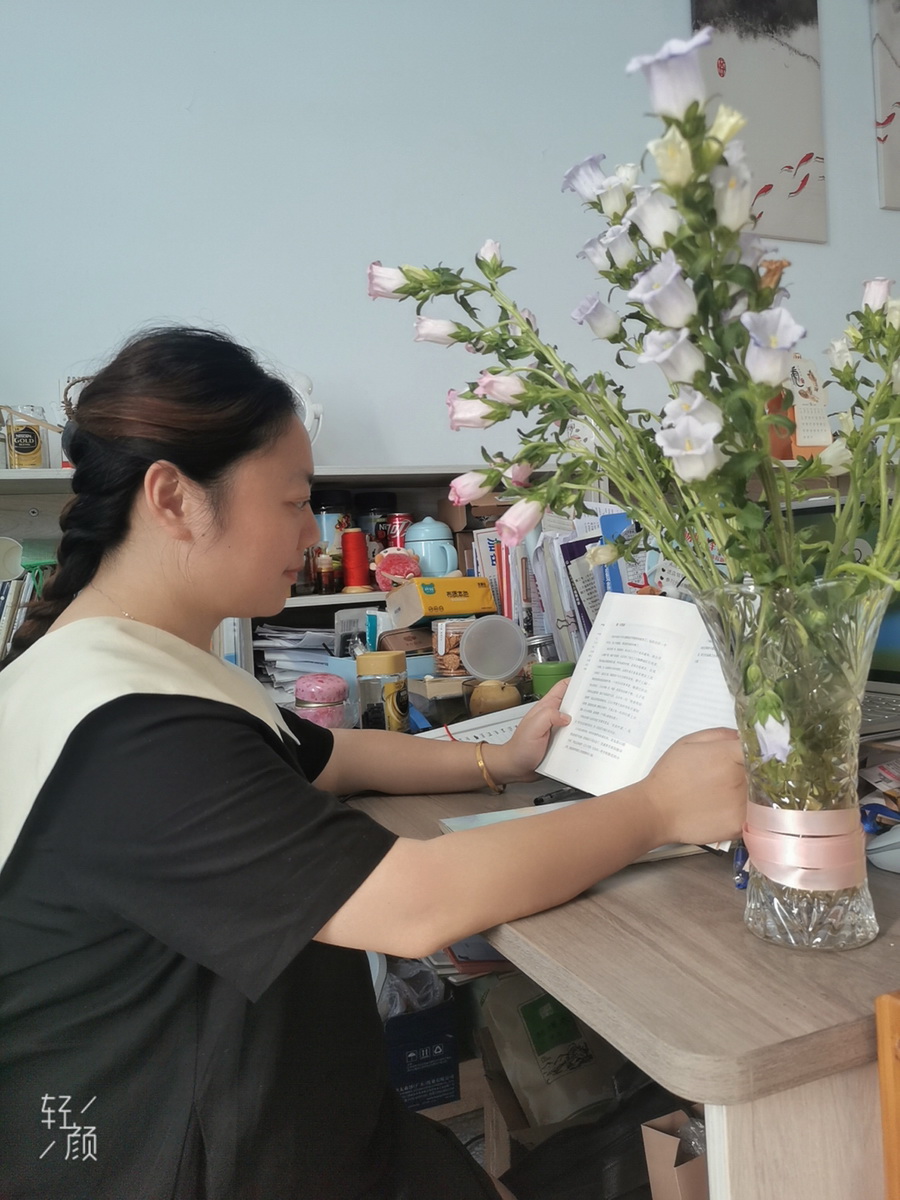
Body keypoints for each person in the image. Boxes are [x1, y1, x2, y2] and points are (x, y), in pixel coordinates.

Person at [0, 327, 746, 1200]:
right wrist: (657, 808)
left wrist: (500, 760)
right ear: (173, 498)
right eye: (293, 501)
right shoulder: (132, 733)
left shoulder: (115, 664)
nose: (310, 531)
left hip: (295, 1122)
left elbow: (331, 754)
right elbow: (416, 904)